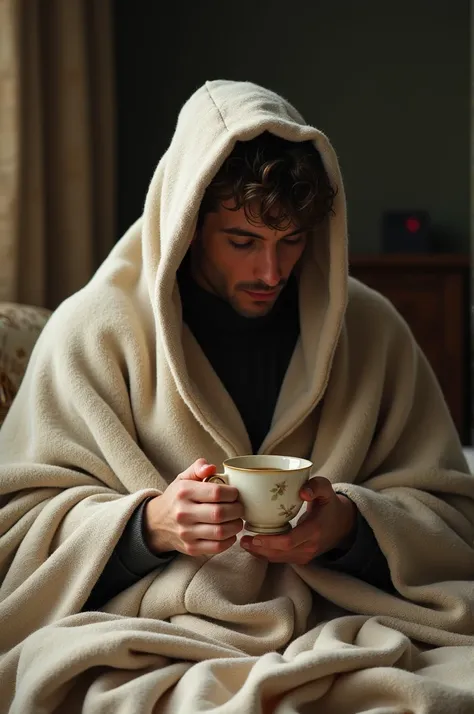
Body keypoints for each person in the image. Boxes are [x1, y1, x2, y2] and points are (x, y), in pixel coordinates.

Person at [1, 79, 473, 714]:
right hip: (151, 628)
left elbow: (451, 514)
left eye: (293, 241)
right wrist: (148, 527)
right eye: (243, 242)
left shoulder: (373, 330)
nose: (270, 273)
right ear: (187, 225)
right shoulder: (94, 330)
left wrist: (351, 529)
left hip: (343, 617)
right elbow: (17, 530)